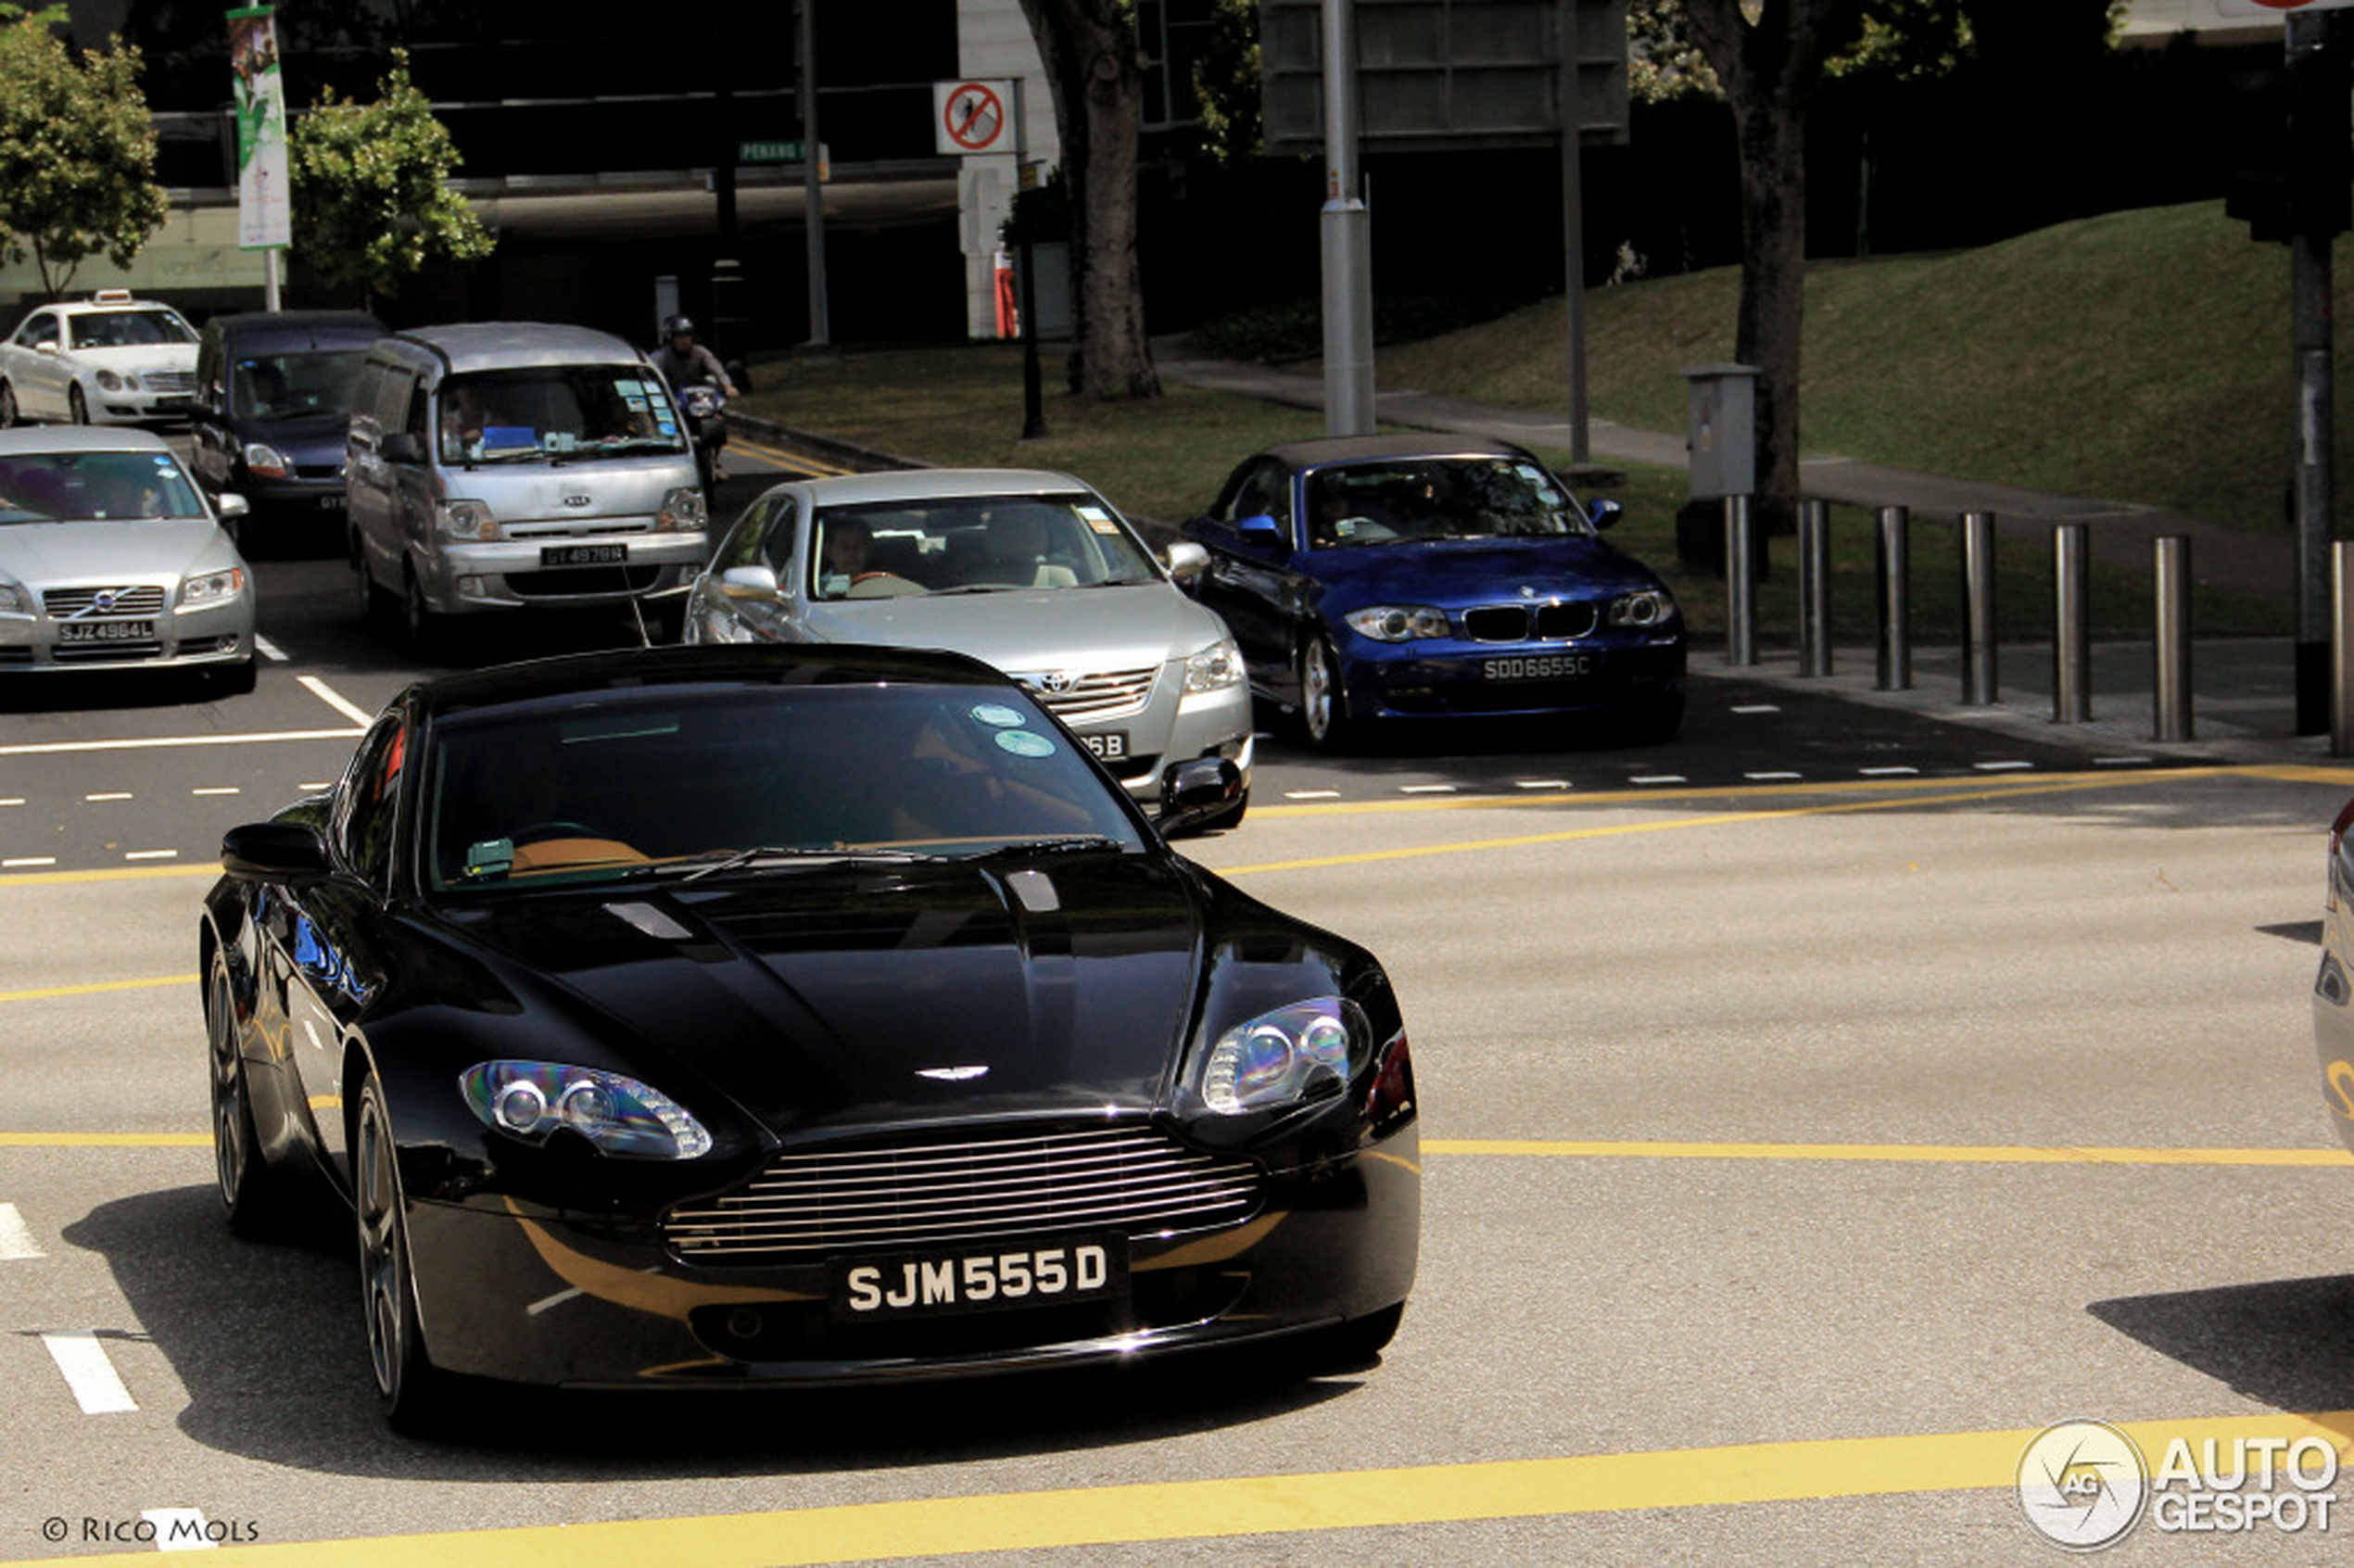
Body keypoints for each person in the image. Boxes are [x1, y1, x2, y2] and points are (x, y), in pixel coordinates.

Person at [650, 315, 738, 481]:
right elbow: (652, 373)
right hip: (673, 400)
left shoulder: (701, 353)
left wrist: (727, 386)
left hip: (698, 399)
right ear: (672, 338)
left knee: (717, 421)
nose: (684, 341)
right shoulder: (662, 356)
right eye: (680, 337)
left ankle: (715, 462)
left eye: (687, 336)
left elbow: (717, 370)